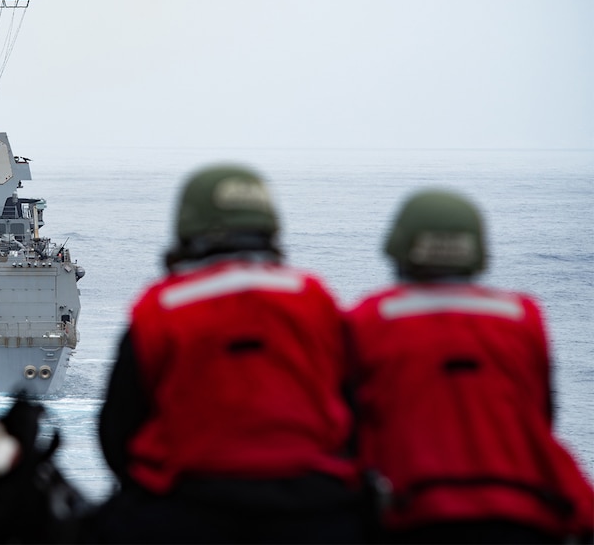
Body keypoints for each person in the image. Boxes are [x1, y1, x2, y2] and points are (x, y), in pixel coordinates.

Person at [93, 164, 364, 543]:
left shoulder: (162, 307)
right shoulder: (315, 297)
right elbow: (354, 410)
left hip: (188, 507)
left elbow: (117, 431)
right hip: (311, 508)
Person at [345, 189, 594, 543]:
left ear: (400, 247)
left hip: (413, 512)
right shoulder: (523, 317)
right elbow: (542, 414)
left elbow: (352, 423)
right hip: (521, 512)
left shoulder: (369, 319)